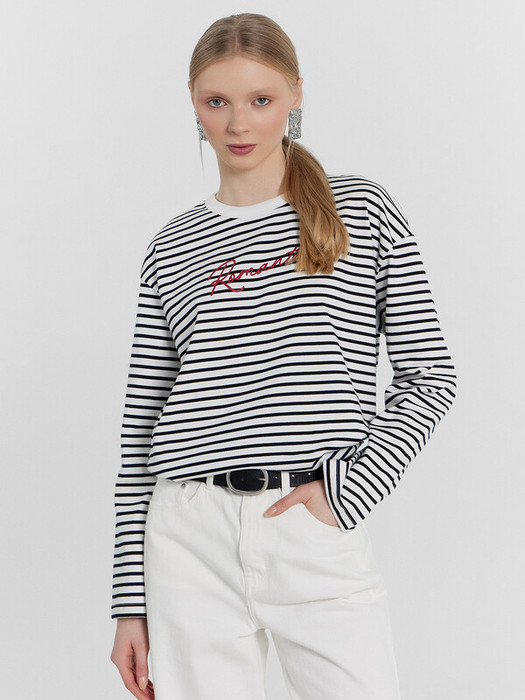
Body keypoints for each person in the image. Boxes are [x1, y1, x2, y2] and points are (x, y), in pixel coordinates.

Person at [110, 12, 457, 700]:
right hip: (187, 538)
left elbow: (430, 377)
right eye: (217, 101)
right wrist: (129, 604)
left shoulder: (362, 209)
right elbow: (141, 428)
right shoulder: (170, 247)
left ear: (295, 95)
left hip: (310, 521)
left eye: (261, 99)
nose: (239, 123)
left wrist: (344, 493)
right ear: (193, 104)